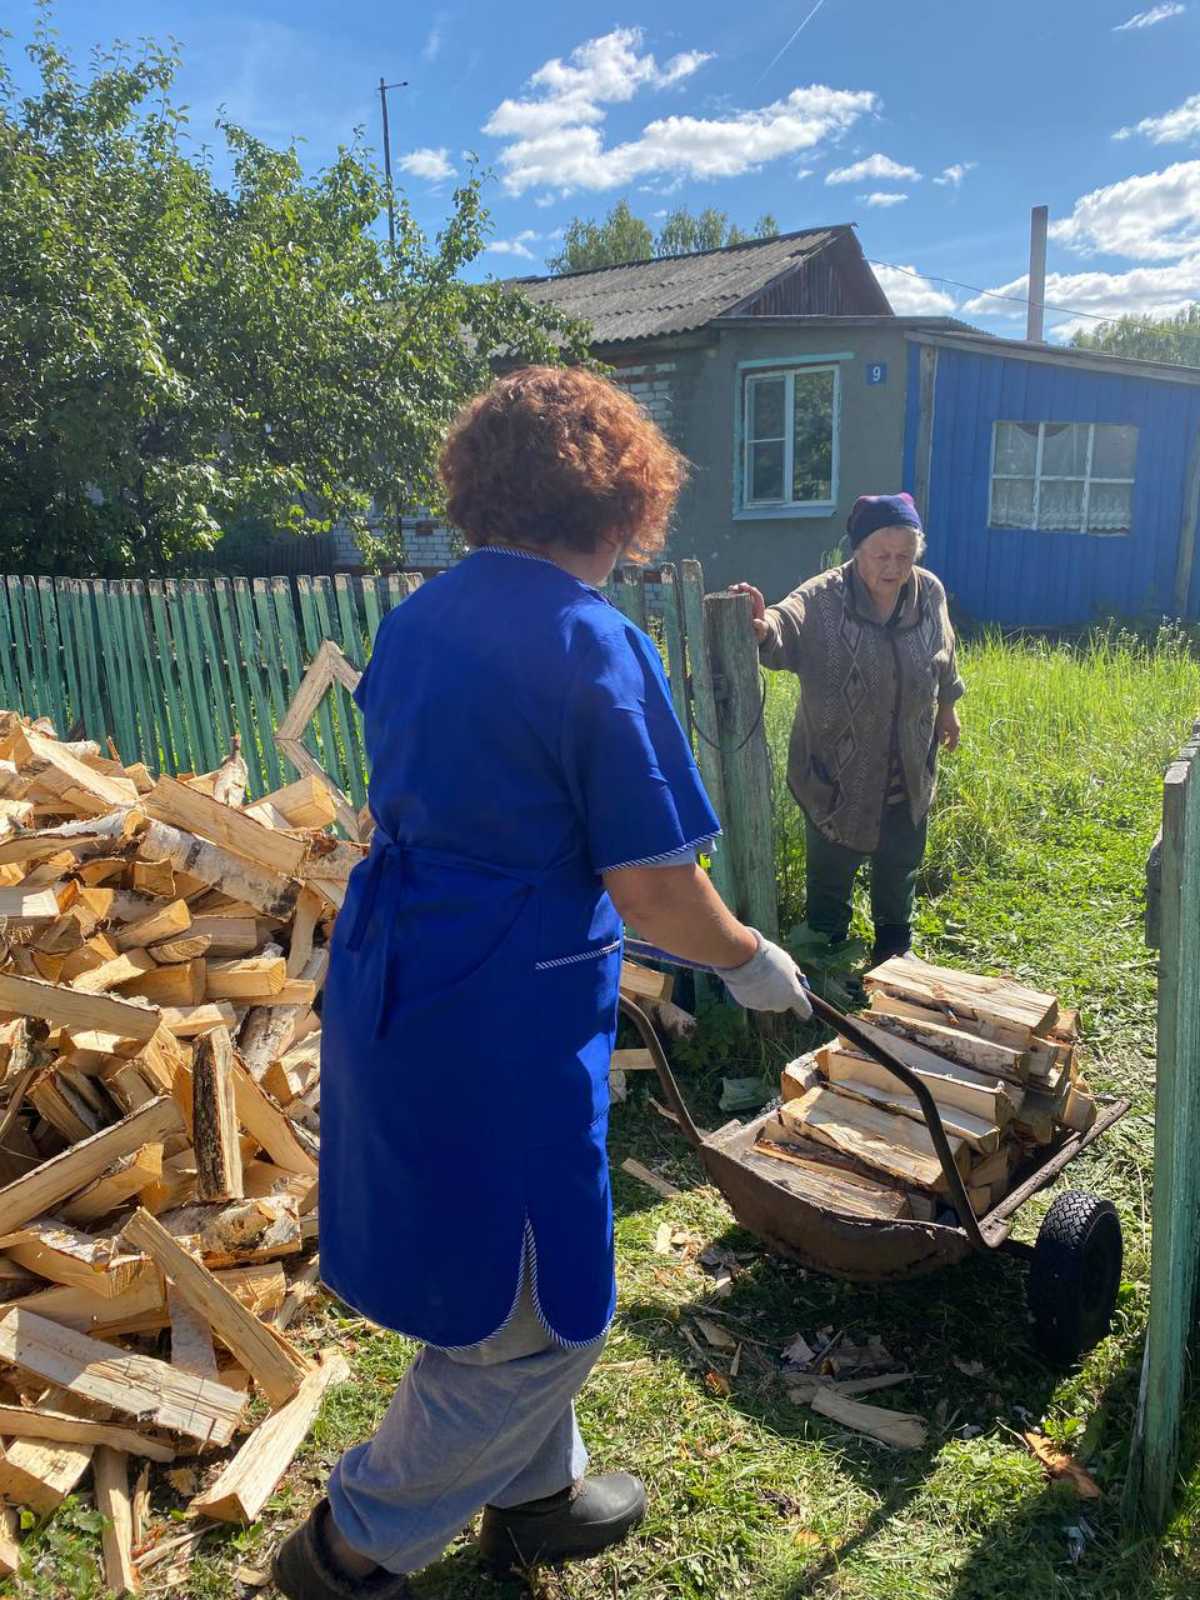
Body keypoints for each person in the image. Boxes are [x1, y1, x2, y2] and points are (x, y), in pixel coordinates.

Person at [273, 366, 812, 1600]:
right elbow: (656, 891)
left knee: (474, 1252)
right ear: (624, 500)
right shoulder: (593, 640)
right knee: (540, 1313)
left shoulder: (424, 615)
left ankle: (538, 1495)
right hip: (498, 1010)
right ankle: (348, 1545)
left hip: (397, 974)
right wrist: (748, 960)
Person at [732, 492, 963, 970]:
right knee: (832, 869)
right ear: (856, 551)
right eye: (881, 555)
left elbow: (945, 652)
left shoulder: (929, 591)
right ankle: (826, 955)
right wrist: (760, 627)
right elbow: (783, 622)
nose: (893, 567)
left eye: (904, 555)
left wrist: (948, 707)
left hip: (908, 764)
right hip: (837, 772)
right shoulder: (824, 598)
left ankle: (894, 951)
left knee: (900, 861)